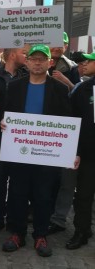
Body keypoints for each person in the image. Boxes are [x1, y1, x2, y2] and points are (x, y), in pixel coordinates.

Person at [1, 44, 72, 257]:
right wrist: (3, 122)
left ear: (50, 62)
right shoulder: (14, 86)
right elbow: (6, 114)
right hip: (19, 151)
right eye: (34, 59)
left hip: (46, 154)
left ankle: (40, 234)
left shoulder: (60, 89)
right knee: (17, 193)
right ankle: (17, 233)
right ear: (28, 62)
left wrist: (69, 150)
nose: (38, 62)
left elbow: (67, 122)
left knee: (43, 196)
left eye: (43, 59)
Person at [0, 46, 29, 234]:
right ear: (13, 55)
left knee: (19, 179)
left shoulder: (27, 76)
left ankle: (14, 216)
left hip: (22, 138)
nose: (26, 56)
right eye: (24, 53)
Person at [65, 52, 95, 250]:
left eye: (88, 61)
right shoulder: (83, 89)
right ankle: (82, 231)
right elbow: (72, 121)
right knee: (83, 195)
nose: (83, 64)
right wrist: (75, 151)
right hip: (88, 154)